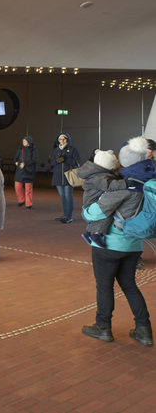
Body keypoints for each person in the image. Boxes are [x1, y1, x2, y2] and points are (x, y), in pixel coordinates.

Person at [80, 136, 153, 347]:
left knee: (104, 286)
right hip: (134, 244)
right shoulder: (148, 182)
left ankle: (103, 327)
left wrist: (85, 211)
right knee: (130, 285)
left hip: (109, 244)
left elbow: (94, 213)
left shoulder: (124, 185)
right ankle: (144, 329)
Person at [76, 149, 127, 247]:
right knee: (105, 214)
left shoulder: (97, 173)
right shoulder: (100, 177)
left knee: (103, 213)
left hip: (92, 198)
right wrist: (125, 183)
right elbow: (109, 185)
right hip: (93, 200)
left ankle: (89, 233)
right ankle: (96, 234)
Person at [49, 133, 82, 223]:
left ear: (67, 139)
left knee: (68, 196)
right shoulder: (56, 150)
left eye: (64, 139)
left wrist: (66, 159)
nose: (62, 141)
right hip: (58, 176)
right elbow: (52, 163)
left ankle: (69, 217)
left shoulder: (73, 149)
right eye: (60, 139)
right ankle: (65, 215)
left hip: (69, 176)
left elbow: (77, 162)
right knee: (63, 197)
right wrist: (57, 160)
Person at [13, 136, 39, 209]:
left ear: (29, 142)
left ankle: (29, 204)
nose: (23, 142)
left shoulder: (34, 150)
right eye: (23, 141)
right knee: (17, 186)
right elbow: (15, 158)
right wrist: (16, 162)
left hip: (29, 171)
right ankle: (22, 200)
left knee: (28, 188)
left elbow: (34, 160)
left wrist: (25, 164)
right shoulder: (20, 150)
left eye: (25, 141)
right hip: (20, 171)